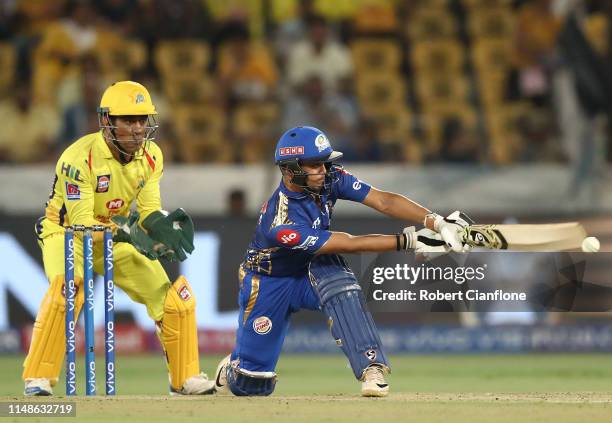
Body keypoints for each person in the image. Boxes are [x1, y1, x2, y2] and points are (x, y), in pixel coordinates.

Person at [214, 126, 472, 397]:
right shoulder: (280, 221)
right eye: (315, 165)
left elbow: (383, 200)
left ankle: (372, 368)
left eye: (325, 163)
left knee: (340, 283)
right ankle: (233, 369)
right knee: (252, 384)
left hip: (311, 268)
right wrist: (411, 241)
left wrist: (436, 221)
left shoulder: (330, 178)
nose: (324, 170)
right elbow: (349, 243)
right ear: (290, 170)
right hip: (268, 282)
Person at [22, 80, 215, 396]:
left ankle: (185, 378)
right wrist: (130, 232)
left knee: (174, 299)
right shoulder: (78, 158)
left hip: (113, 236)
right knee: (70, 289)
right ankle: (38, 378)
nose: (138, 129)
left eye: (142, 120)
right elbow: (83, 222)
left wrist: (160, 227)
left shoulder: (151, 155)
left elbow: (150, 209)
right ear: (107, 121)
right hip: (66, 234)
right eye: (128, 120)